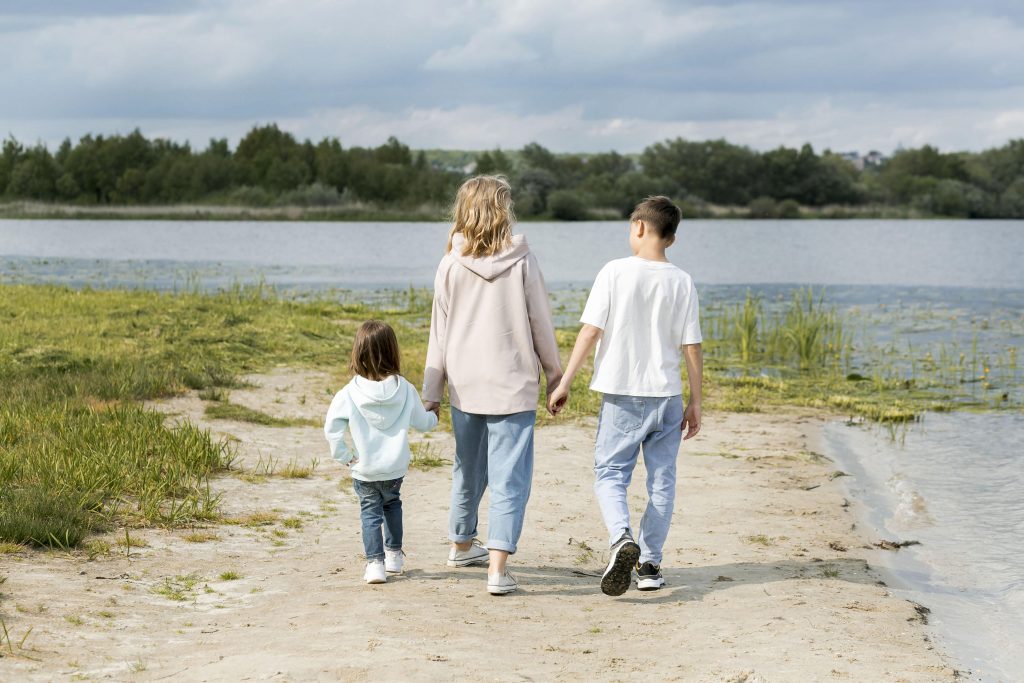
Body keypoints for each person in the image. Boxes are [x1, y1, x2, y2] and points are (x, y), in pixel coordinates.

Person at [548, 196, 703, 596]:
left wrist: (565, 381)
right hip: (667, 396)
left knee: (611, 473)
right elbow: (692, 346)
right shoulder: (682, 281)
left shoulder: (615, 272)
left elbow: (590, 331)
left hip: (622, 395)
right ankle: (649, 564)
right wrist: (696, 401)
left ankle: (621, 540)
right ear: (672, 237)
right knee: (662, 480)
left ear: (638, 227)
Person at [423, 175, 562, 596]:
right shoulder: (523, 260)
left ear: (463, 211)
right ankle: (497, 570)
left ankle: (461, 544)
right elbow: (540, 322)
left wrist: (432, 391)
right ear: (504, 211)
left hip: (465, 385)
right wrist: (555, 374)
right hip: (513, 384)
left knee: (468, 468)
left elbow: (438, 333)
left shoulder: (450, 263)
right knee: (510, 477)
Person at [324, 320, 439, 584]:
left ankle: (375, 564)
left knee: (370, 513)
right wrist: (434, 417)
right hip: (394, 467)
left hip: (365, 468)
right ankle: (394, 556)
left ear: (357, 353)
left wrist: (344, 456)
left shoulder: (348, 393)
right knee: (392, 506)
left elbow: (332, 429)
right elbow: (422, 423)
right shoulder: (405, 389)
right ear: (392, 352)